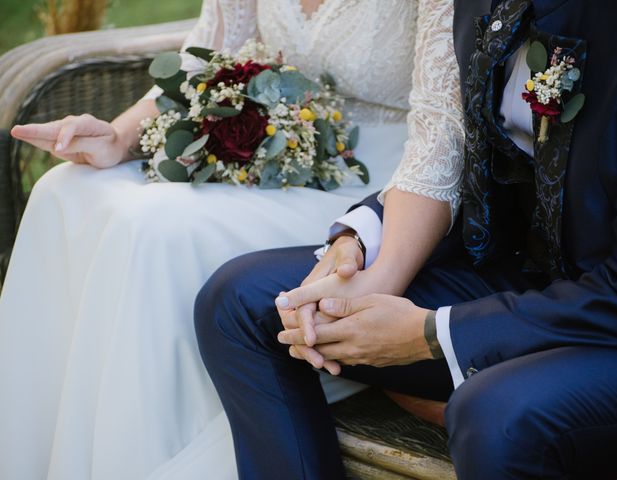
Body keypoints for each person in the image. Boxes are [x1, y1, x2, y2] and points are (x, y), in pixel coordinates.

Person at [0, 0, 464, 479]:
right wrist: (118, 137)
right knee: (65, 191)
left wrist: (384, 272)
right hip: (276, 152)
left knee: (156, 231)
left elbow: (442, 130)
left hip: (384, 180)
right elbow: (205, 60)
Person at [194, 0, 617, 478]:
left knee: (495, 416)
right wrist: (360, 244)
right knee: (244, 300)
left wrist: (435, 334)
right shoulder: (480, 7)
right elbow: (456, 153)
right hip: (524, 274)